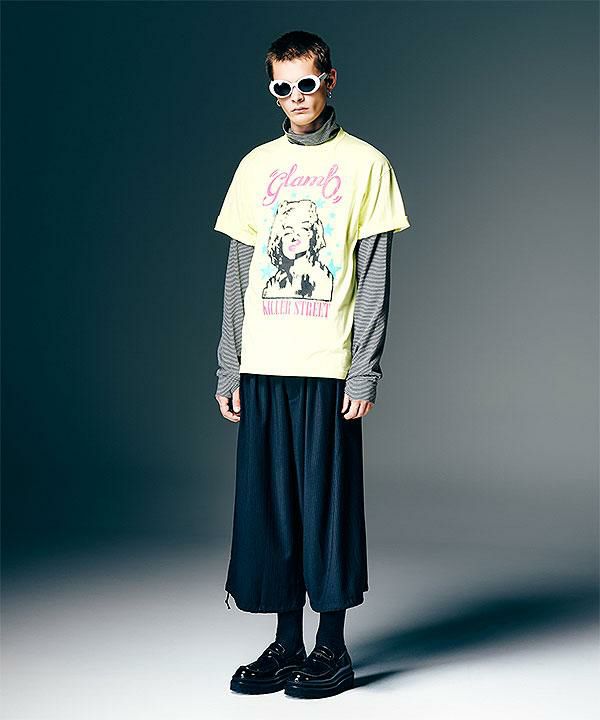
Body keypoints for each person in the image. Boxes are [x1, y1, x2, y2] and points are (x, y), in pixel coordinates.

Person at [213, 30, 411, 699]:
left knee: (325, 506)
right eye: (283, 86)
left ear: (329, 80)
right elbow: (239, 272)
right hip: (264, 362)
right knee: (270, 508)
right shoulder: (255, 166)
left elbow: (374, 277)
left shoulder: (368, 165)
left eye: (306, 82)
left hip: (328, 365)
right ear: (272, 90)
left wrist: (365, 369)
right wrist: (229, 364)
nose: (296, 97)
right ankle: (286, 644)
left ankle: (332, 649)